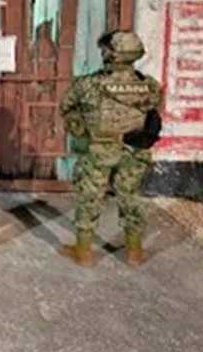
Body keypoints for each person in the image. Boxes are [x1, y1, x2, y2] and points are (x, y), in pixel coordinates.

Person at [58, 30, 162, 267]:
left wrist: (80, 130)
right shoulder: (150, 86)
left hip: (98, 150)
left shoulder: (88, 85)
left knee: (90, 198)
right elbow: (154, 110)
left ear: (110, 54)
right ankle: (134, 252)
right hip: (134, 150)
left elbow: (67, 107)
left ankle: (84, 251)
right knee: (130, 197)